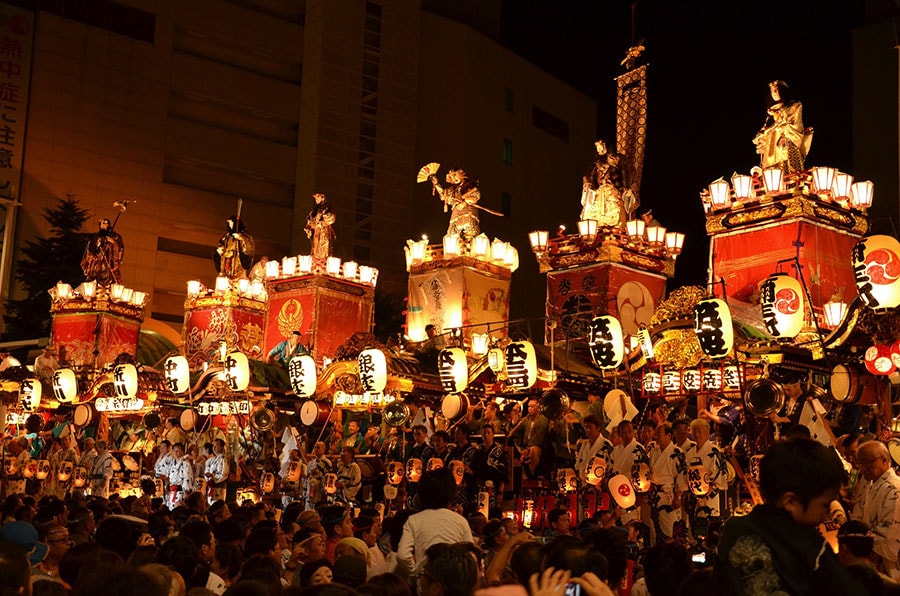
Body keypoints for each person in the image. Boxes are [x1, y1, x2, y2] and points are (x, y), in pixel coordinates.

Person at [717, 438, 865, 594]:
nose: (826, 514)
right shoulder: (809, 545)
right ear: (790, 501)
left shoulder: (732, 530)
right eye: (825, 505)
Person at [397, 468, 475, 574]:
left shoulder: (414, 520)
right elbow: (471, 555)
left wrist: (415, 571)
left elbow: (402, 555)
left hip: (426, 579)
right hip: (453, 580)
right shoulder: (460, 520)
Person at [854, 440, 900, 580]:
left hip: (890, 566)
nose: (862, 469)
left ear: (884, 460)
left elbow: (889, 536)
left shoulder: (894, 489)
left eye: (867, 464)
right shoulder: (873, 483)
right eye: (860, 464)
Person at [753, 80, 811, 174]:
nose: (774, 93)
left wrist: (774, 125)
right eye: (772, 90)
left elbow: (788, 122)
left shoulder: (794, 106)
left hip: (785, 146)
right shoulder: (770, 115)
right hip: (770, 153)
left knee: (789, 173)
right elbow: (765, 130)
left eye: (776, 89)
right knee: (770, 177)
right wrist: (761, 137)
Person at [648, 422, 687, 543]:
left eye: (659, 434)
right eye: (656, 435)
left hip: (668, 494)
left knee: (670, 527)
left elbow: (682, 475)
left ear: (669, 436)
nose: (656, 437)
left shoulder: (677, 452)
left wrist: (678, 496)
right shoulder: (653, 451)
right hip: (653, 494)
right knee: (654, 529)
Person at [580, 139, 626, 227]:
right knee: (593, 216)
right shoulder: (595, 165)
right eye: (598, 149)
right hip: (597, 193)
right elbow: (588, 176)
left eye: (601, 148)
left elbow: (619, 180)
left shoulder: (613, 166)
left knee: (613, 215)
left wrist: (611, 184)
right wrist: (588, 182)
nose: (599, 151)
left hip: (610, 193)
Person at [430, 166, 482, 243]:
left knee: (470, 234)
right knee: (452, 236)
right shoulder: (453, 189)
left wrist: (465, 202)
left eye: (455, 175)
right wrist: (436, 184)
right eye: (451, 177)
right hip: (456, 213)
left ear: (461, 174)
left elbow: (476, 196)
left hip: (467, 212)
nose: (454, 178)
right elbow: (443, 195)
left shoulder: (470, 185)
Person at [81, 217, 125, 285]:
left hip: (108, 262)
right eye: (101, 223)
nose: (102, 225)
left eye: (105, 223)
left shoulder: (115, 237)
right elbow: (89, 248)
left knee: (109, 278)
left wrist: (113, 242)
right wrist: (92, 255)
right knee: (93, 279)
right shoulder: (95, 237)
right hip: (96, 262)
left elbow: (120, 249)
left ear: (109, 225)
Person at [305, 193, 337, 259]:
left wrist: (322, 222)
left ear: (322, 198)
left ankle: (324, 261)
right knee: (315, 247)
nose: (316, 199)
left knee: (324, 247)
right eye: (316, 198)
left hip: (324, 231)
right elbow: (310, 220)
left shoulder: (326, 207)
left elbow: (331, 218)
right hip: (316, 232)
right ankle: (315, 260)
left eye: (318, 197)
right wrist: (308, 227)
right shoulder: (314, 210)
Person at [205, 439, 228, 503]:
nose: (214, 448)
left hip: (219, 487)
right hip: (210, 487)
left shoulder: (224, 460)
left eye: (216, 446)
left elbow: (224, 474)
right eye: (213, 446)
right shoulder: (210, 460)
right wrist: (208, 477)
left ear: (221, 447)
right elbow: (206, 471)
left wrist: (213, 476)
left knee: (217, 505)